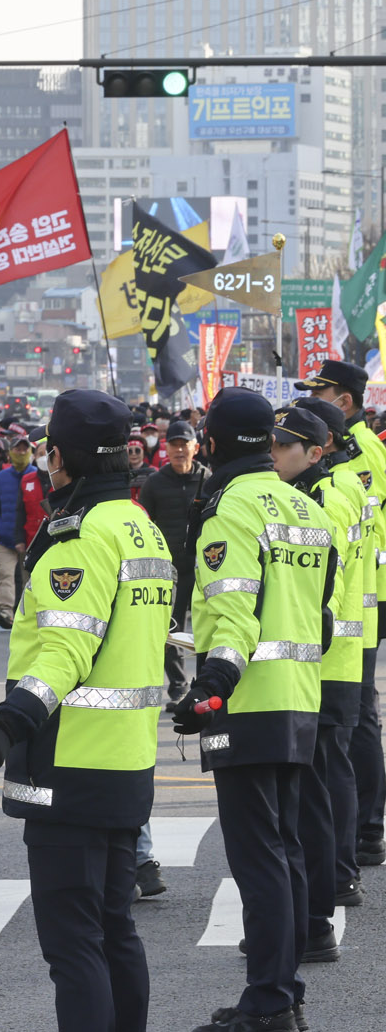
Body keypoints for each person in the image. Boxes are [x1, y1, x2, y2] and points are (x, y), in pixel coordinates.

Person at [0, 390, 171, 1032]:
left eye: (52, 451)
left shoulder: (80, 538)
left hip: (69, 764)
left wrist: (4, 724)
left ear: (64, 458)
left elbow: (64, 654)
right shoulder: (140, 527)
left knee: (75, 946)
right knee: (114, 930)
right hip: (128, 760)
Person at [172, 388, 333, 1032]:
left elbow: (233, 609)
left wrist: (211, 684)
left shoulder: (230, 509)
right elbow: (316, 612)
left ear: (212, 442)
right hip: (300, 694)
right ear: (266, 441)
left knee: (258, 857)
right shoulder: (304, 505)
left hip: (244, 697)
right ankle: (284, 993)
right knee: (286, 849)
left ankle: (268, 1000)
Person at [272, 404, 366, 959]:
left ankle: (323, 903)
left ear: (318, 448)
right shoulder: (323, 490)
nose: (275, 455)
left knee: (317, 793)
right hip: (323, 656)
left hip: (324, 659)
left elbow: (321, 583)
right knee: (318, 788)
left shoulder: (326, 497)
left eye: (284, 446)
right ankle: (322, 897)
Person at [297, 360, 386, 870]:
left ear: (344, 401)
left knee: (354, 726)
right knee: (354, 723)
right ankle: (362, 833)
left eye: (321, 392)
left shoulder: (358, 457)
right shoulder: (357, 450)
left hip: (355, 604)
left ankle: (365, 831)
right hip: (357, 601)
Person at [137, 418, 209, 704]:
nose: (179, 450)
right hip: (168, 569)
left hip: (205, 567)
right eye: (174, 445)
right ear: (166, 449)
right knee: (172, 628)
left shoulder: (209, 479)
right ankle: (178, 686)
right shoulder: (154, 483)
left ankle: (207, 683)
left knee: (209, 628)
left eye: (185, 445)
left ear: (196, 447)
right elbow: (144, 523)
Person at [0, 433, 36, 628]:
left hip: (30, 539)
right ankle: (5, 611)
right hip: (5, 539)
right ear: (10, 452)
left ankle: (26, 613)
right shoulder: (0, 478)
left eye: (24, 449)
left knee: (28, 578)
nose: (21, 452)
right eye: (17, 449)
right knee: (5, 575)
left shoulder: (37, 476)